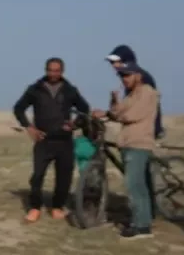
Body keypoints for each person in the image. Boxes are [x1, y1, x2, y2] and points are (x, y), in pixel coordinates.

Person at [12, 58, 91, 222]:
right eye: (50, 70)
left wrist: (75, 124)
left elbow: (85, 109)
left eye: (56, 71)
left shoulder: (70, 90)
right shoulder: (35, 89)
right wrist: (29, 128)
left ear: (62, 71)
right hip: (43, 140)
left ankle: (57, 207)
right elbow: (18, 109)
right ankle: (34, 208)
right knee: (37, 176)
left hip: (64, 141)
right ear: (45, 70)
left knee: (64, 176)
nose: (53, 74)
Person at [94, 64, 161, 239]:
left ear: (138, 75)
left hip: (138, 143)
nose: (124, 79)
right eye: (121, 76)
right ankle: (142, 221)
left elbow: (131, 115)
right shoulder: (132, 94)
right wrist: (114, 101)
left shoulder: (147, 92)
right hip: (128, 143)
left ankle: (141, 227)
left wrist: (113, 114)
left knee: (134, 185)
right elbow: (118, 111)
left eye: (127, 75)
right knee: (138, 184)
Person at [106, 45, 163, 140]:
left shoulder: (142, 79)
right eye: (111, 62)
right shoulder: (129, 80)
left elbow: (138, 110)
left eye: (115, 62)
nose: (113, 65)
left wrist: (110, 114)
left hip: (145, 132)